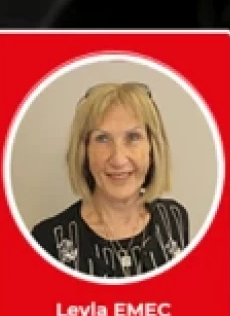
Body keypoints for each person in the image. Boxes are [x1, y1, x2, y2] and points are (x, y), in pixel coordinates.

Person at [30, 82, 189, 279]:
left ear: (152, 147)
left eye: (133, 137)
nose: (118, 159)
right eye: (102, 139)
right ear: (84, 151)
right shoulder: (48, 240)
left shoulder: (174, 219)